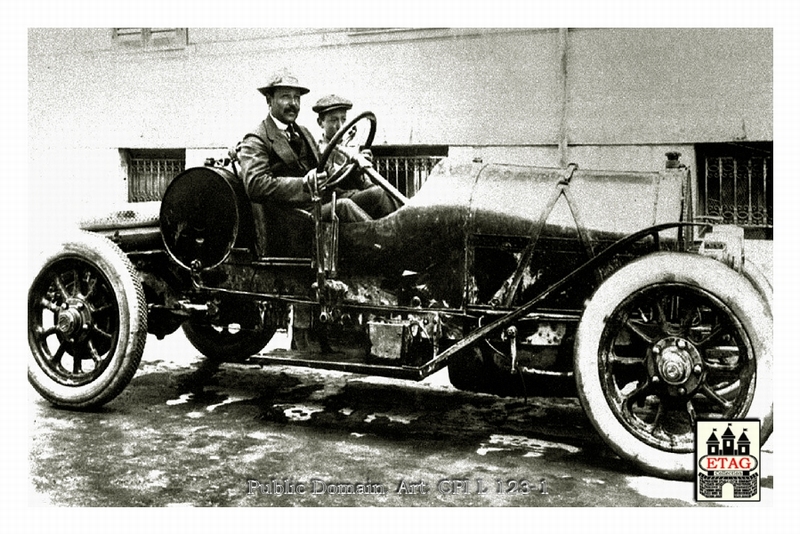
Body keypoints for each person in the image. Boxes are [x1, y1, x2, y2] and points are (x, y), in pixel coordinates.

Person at [235, 70, 371, 222]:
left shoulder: (304, 132)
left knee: (377, 195)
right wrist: (303, 184)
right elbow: (256, 185)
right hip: (292, 217)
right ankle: (382, 244)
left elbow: (326, 171)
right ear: (269, 100)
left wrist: (353, 168)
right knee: (344, 207)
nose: (293, 103)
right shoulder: (256, 138)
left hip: (321, 201)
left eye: (297, 98)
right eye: (285, 97)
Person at [312, 94, 398, 219]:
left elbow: (366, 184)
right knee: (378, 195)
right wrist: (352, 166)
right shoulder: (318, 150)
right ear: (321, 123)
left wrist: (364, 169)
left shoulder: (350, 147)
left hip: (353, 197)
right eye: (333, 120)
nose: (340, 126)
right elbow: (328, 183)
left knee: (387, 192)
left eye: (343, 119)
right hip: (333, 200)